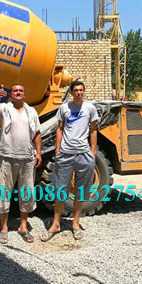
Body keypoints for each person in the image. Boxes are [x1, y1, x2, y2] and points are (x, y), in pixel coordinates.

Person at [41, 80, 99, 242]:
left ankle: (75, 224)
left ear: (83, 91)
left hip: (84, 154)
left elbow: (93, 130)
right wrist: (57, 150)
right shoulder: (64, 108)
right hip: (65, 154)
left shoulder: (90, 108)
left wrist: (93, 152)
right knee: (61, 190)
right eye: (76, 90)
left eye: (81, 90)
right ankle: (56, 224)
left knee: (80, 191)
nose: (79, 93)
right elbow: (59, 128)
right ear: (72, 92)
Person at [0, 84, 42, 244]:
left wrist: (38, 153)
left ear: (24, 94)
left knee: (26, 193)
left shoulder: (31, 111)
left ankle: (23, 227)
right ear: (10, 94)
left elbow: (37, 133)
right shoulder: (5, 108)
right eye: (15, 91)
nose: (18, 92)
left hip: (27, 158)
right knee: (3, 191)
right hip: (7, 156)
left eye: (21, 90)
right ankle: (4, 228)